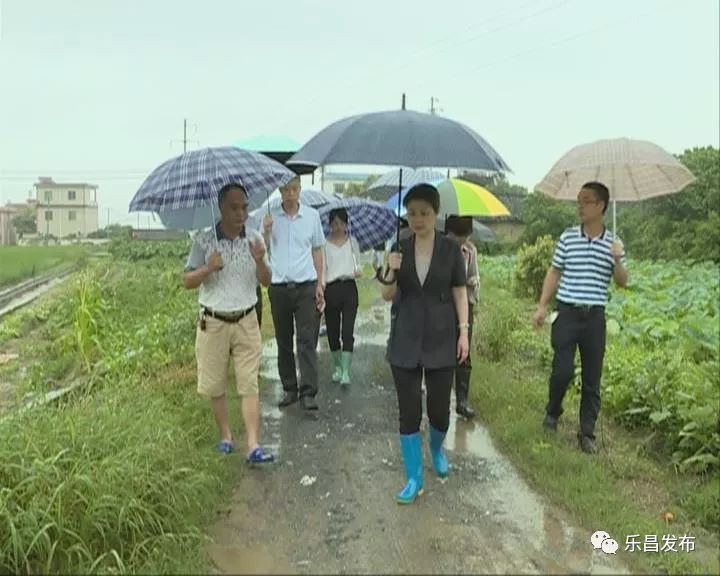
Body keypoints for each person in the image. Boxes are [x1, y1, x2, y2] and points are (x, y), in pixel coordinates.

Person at [379, 183, 469, 504]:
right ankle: (414, 477)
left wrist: (464, 332)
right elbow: (387, 294)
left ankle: (436, 448)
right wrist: (391, 270)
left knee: (439, 411)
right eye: (412, 213)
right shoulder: (398, 245)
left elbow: (460, 291)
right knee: (409, 411)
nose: (418, 219)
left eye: (425, 213)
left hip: (442, 337)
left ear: (436, 214)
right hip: (405, 336)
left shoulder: (450, 249)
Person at [533, 181, 628, 454]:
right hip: (566, 312)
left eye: (586, 201)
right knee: (562, 370)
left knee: (592, 377)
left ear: (601, 206)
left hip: (594, 317)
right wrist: (542, 306)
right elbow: (554, 272)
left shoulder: (614, 243)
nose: (580, 206)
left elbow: (623, 282)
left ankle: (586, 433)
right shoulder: (567, 237)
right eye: (578, 201)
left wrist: (618, 260)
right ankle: (553, 411)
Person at [182, 183, 274, 463]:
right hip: (213, 322)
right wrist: (208, 267)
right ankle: (225, 436)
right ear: (220, 208)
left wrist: (260, 260)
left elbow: (266, 281)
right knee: (215, 384)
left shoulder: (255, 239)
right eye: (234, 207)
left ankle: (253, 444)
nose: (240, 213)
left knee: (249, 384)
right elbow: (186, 281)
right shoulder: (204, 241)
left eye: (244, 207)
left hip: (246, 319)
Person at [263, 175, 326, 411]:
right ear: (280, 190)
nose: (290, 194)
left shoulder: (311, 217)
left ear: (300, 189)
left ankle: (308, 391)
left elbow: (318, 250)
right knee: (283, 339)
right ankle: (290, 387)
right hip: (279, 286)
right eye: (286, 189)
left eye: (294, 189)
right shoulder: (270, 217)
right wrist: (267, 232)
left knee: (307, 339)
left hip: (306, 285)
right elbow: (263, 250)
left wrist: (320, 283)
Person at [444, 215, 479, 419]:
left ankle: (462, 400)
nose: (462, 241)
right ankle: (442, 398)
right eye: (458, 237)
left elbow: (474, 277)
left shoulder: (471, 251)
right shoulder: (441, 248)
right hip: (444, 305)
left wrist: (472, 280)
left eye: (465, 236)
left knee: (464, 351)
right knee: (443, 350)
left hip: (466, 305)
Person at [322, 208, 362, 385]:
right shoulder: (324, 244)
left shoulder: (353, 242)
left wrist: (358, 269)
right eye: (335, 223)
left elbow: (358, 263)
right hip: (331, 289)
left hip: (349, 288)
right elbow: (323, 270)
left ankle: (346, 371)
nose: (338, 227)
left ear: (346, 224)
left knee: (347, 330)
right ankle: (337, 367)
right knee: (332, 331)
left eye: (341, 223)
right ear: (330, 225)